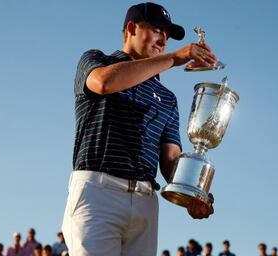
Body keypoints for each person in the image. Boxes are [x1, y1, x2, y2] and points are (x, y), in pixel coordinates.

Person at [61, 2, 217, 256]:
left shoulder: (167, 98)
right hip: (99, 193)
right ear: (131, 28)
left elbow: (170, 160)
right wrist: (175, 58)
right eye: (157, 30)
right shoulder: (97, 60)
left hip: (146, 200)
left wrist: (193, 192)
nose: (163, 39)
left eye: (167, 35)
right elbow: (104, 83)